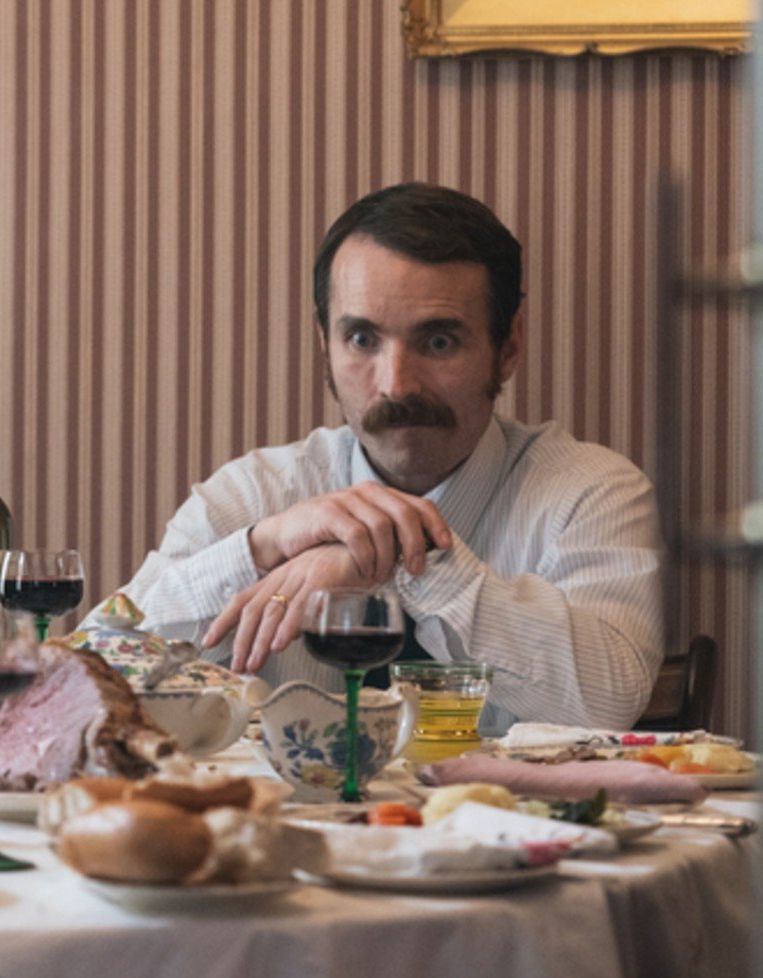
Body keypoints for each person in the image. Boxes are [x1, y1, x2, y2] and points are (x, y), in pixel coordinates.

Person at [113, 183, 663, 733]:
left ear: (509, 344)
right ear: (324, 341)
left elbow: (611, 699)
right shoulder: (252, 496)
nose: (396, 385)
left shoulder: (590, 493)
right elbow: (90, 673)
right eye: (362, 340)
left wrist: (397, 560)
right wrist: (263, 547)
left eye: (439, 342)